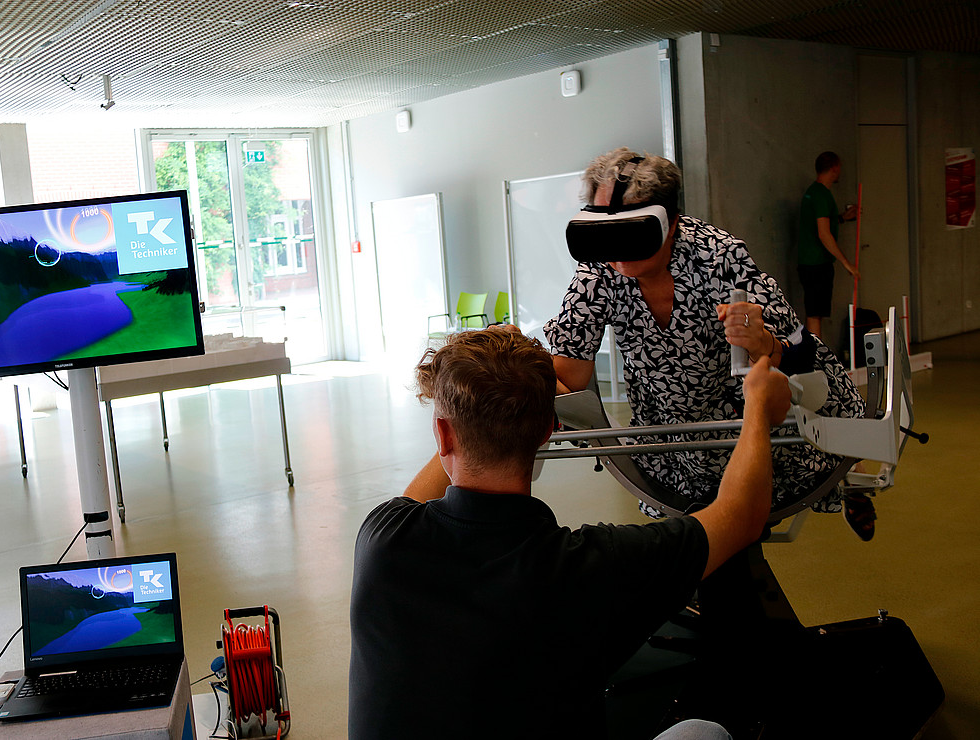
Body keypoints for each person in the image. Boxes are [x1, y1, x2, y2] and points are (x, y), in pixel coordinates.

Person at [349, 327, 790, 739]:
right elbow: (742, 515)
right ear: (548, 430)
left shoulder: (383, 539)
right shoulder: (592, 568)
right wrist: (757, 406)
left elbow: (436, 474)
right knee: (704, 733)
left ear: (442, 434)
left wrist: (474, 405)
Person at [544, 147, 875, 539]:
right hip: (670, 435)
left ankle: (851, 478)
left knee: (774, 494)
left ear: (671, 224)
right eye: (605, 230)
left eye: (631, 232)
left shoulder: (717, 256)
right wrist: (519, 366)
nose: (617, 252)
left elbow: (801, 355)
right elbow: (570, 381)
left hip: (747, 419)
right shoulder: (597, 272)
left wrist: (761, 341)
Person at [796, 151, 860, 339]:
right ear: (834, 168)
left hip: (811, 262)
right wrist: (846, 263)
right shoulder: (821, 195)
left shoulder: (814, 193)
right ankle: (816, 353)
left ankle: (814, 351)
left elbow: (819, 224)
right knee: (815, 313)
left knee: (815, 311)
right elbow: (823, 233)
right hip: (817, 263)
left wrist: (842, 218)